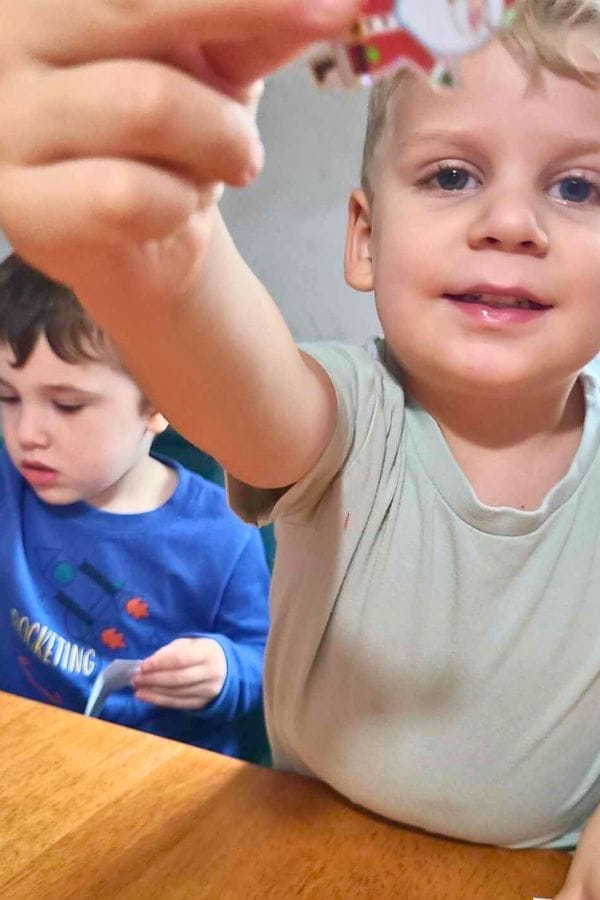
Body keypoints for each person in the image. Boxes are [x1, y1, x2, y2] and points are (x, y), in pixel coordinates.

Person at [0, 0, 598, 895]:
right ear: (364, 236)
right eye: (450, 176)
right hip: (297, 849)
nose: (511, 222)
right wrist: (160, 241)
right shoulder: (348, 415)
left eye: (579, 187)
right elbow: (239, 388)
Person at [0, 254, 270, 758]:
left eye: (67, 405)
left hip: (158, 780)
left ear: (159, 403)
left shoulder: (222, 534)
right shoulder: (8, 480)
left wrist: (225, 669)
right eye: (6, 397)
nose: (26, 434)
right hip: (28, 758)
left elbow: (267, 660)